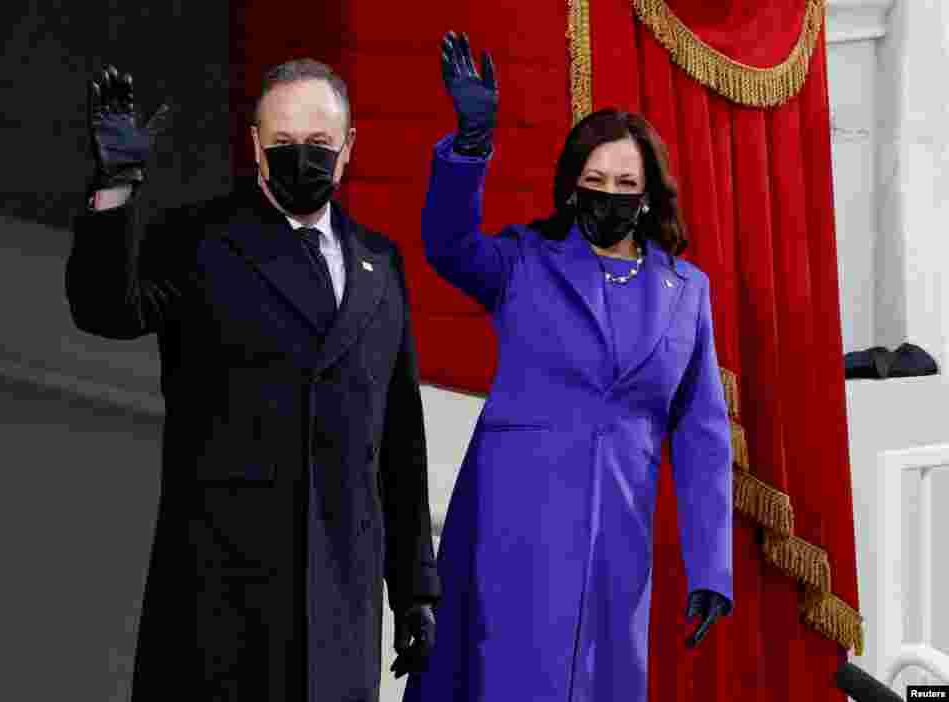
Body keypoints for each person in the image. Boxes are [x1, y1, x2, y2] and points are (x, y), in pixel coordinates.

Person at [66, 59, 441, 702]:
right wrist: (117, 186)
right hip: (221, 603)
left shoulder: (381, 264)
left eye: (321, 144)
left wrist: (413, 591)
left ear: (349, 147)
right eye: (284, 143)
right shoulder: (199, 236)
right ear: (256, 146)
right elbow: (106, 310)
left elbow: (400, 440)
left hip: (339, 606)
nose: (304, 158)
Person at [401, 32, 734, 702]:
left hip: (618, 538)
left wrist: (710, 568)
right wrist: (470, 145)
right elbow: (447, 244)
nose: (609, 196)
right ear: (572, 187)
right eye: (594, 182)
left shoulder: (685, 291)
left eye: (625, 185)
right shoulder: (524, 262)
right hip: (512, 525)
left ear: (648, 196)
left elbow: (702, 435)